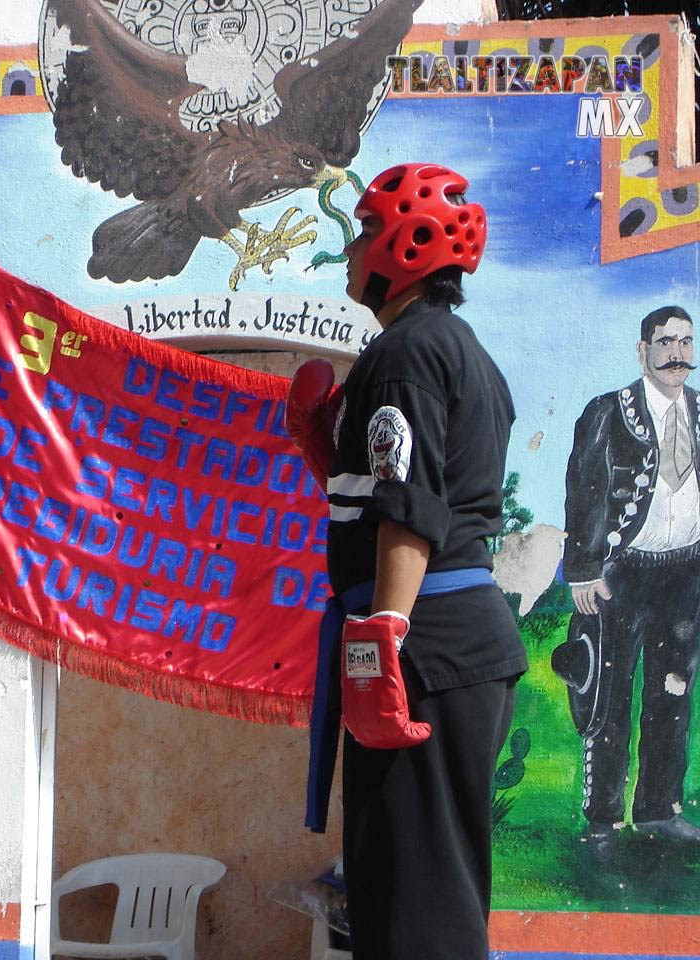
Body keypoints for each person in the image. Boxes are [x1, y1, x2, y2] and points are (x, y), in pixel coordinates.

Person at [288, 163, 528, 960]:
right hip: (456, 641)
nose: (353, 248)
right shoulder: (459, 351)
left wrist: (384, 633)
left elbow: (411, 504)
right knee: (426, 878)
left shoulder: (403, 353)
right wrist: (328, 448)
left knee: (413, 899)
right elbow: (407, 487)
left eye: (363, 229)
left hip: (423, 641)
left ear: (405, 241)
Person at [559, 305, 700, 863]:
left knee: (673, 690)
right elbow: (584, 493)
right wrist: (584, 570)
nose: (676, 354)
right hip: (622, 575)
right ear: (643, 351)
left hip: (686, 573)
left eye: (686, 342)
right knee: (609, 696)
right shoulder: (607, 412)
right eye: (664, 343)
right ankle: (602, 820)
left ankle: (660, 810)